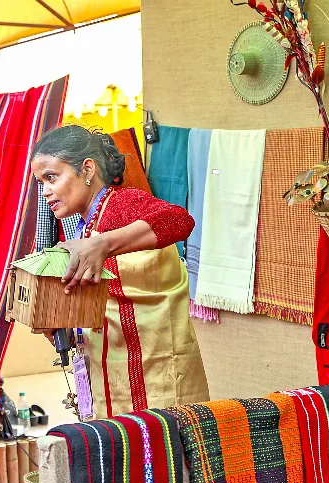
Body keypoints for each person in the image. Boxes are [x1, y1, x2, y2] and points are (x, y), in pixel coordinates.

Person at [30, 125, 209, 416]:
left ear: (87, 169)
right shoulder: (81, 223)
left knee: (157, 452)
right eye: (41, 182)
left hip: (156, 371)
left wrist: (104, 243)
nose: (46, 191)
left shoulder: (120, 204)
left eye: (52, 177)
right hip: (117, 369)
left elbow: (179, 220)